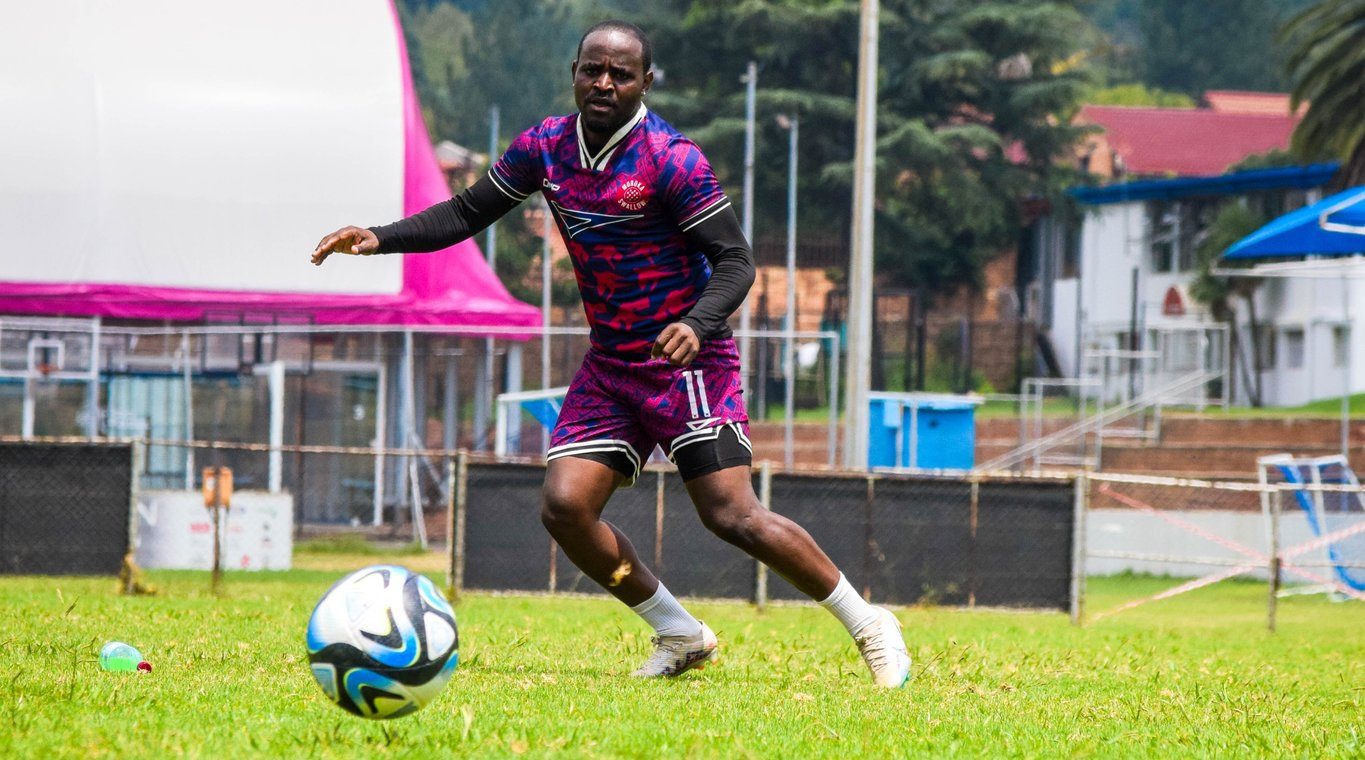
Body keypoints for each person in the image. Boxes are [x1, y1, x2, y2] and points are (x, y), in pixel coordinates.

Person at [311, 20, 910, 687]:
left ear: (644, 82)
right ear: (574, 71)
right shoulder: (544, 146)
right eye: (591, 69)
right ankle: (679, 632)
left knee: (731, 515)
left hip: (688, 364)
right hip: (612, 366)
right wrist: (378, 236)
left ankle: (869, 623)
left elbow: (736, 261)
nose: (602, 83)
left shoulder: (670, 158)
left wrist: (697, 321)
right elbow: (465, 213)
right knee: (565, 505)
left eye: (619, 74)